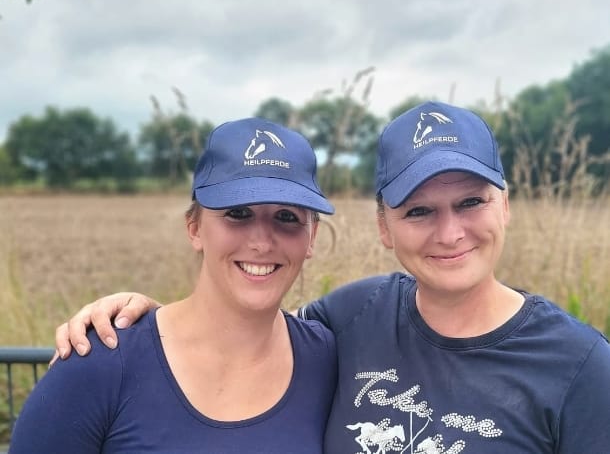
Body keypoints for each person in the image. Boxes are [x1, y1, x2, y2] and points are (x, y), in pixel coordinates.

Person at [53, 102, 610, 453]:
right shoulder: (350, 319)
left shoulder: (580, 366)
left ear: (505, 206)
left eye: (471, 202)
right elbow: (242, 326)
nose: (450, 232)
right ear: (384, 227)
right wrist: (144, 321)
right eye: (419, 211)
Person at [10, 118, 338, 453]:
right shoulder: (100, 363)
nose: (262, 242)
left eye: (287, 217)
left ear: (311, 237)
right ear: (194, 228)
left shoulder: (330, 361)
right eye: (238, 213)